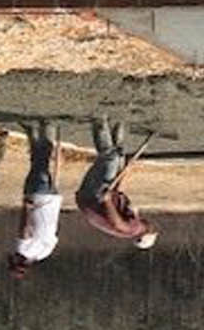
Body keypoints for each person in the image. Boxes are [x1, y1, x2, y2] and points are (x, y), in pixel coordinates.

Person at [75, 115, 158, 248]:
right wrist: (122, 175)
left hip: (92, 197)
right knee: (119, 160)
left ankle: (99, 122)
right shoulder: (132, 225)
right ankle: (118, 124)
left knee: (110, 159)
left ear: (146, 233)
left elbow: (117, 223)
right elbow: (118, 198)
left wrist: (107, 200)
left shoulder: (134, 229)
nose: (152, 225)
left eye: (152, 229)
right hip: (88, 199)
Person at [8, 120, 60, 279]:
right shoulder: (22, 249)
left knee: (38, 164)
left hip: (52, 201)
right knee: (40, 163)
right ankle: (47, 130)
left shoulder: (44, 253)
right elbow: (25, 228)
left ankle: (32, 133)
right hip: (36, 199)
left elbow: (55, 233)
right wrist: (27, 208)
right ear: (17, 261)